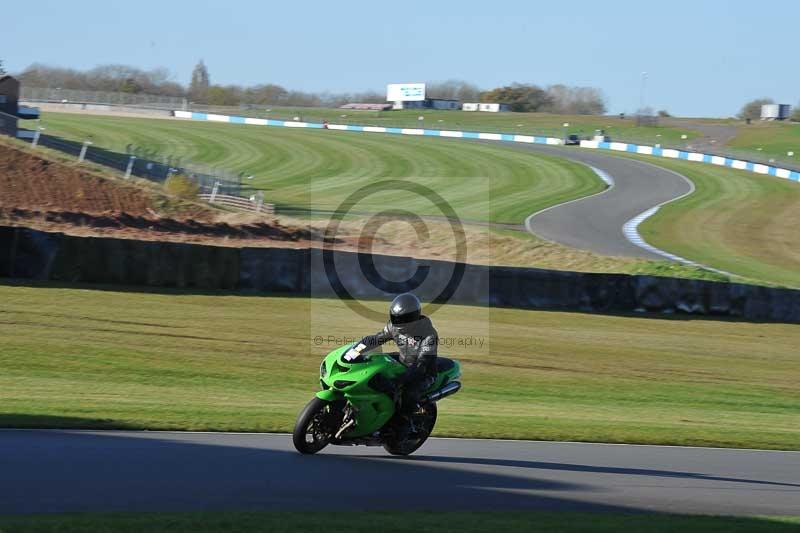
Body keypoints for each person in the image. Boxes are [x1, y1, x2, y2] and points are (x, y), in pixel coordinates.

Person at [344, 293, 438, 414]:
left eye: (402, 319)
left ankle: (404, 425)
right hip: (403, 361)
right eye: (395, 317)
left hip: (424, 373)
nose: (397, 322)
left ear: (413, 317)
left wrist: (396, 381)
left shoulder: (429, 335)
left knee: (406, 394)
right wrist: (354, 352)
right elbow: (375, 339)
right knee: (374, 367)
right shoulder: (393, 327)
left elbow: (421, 365)